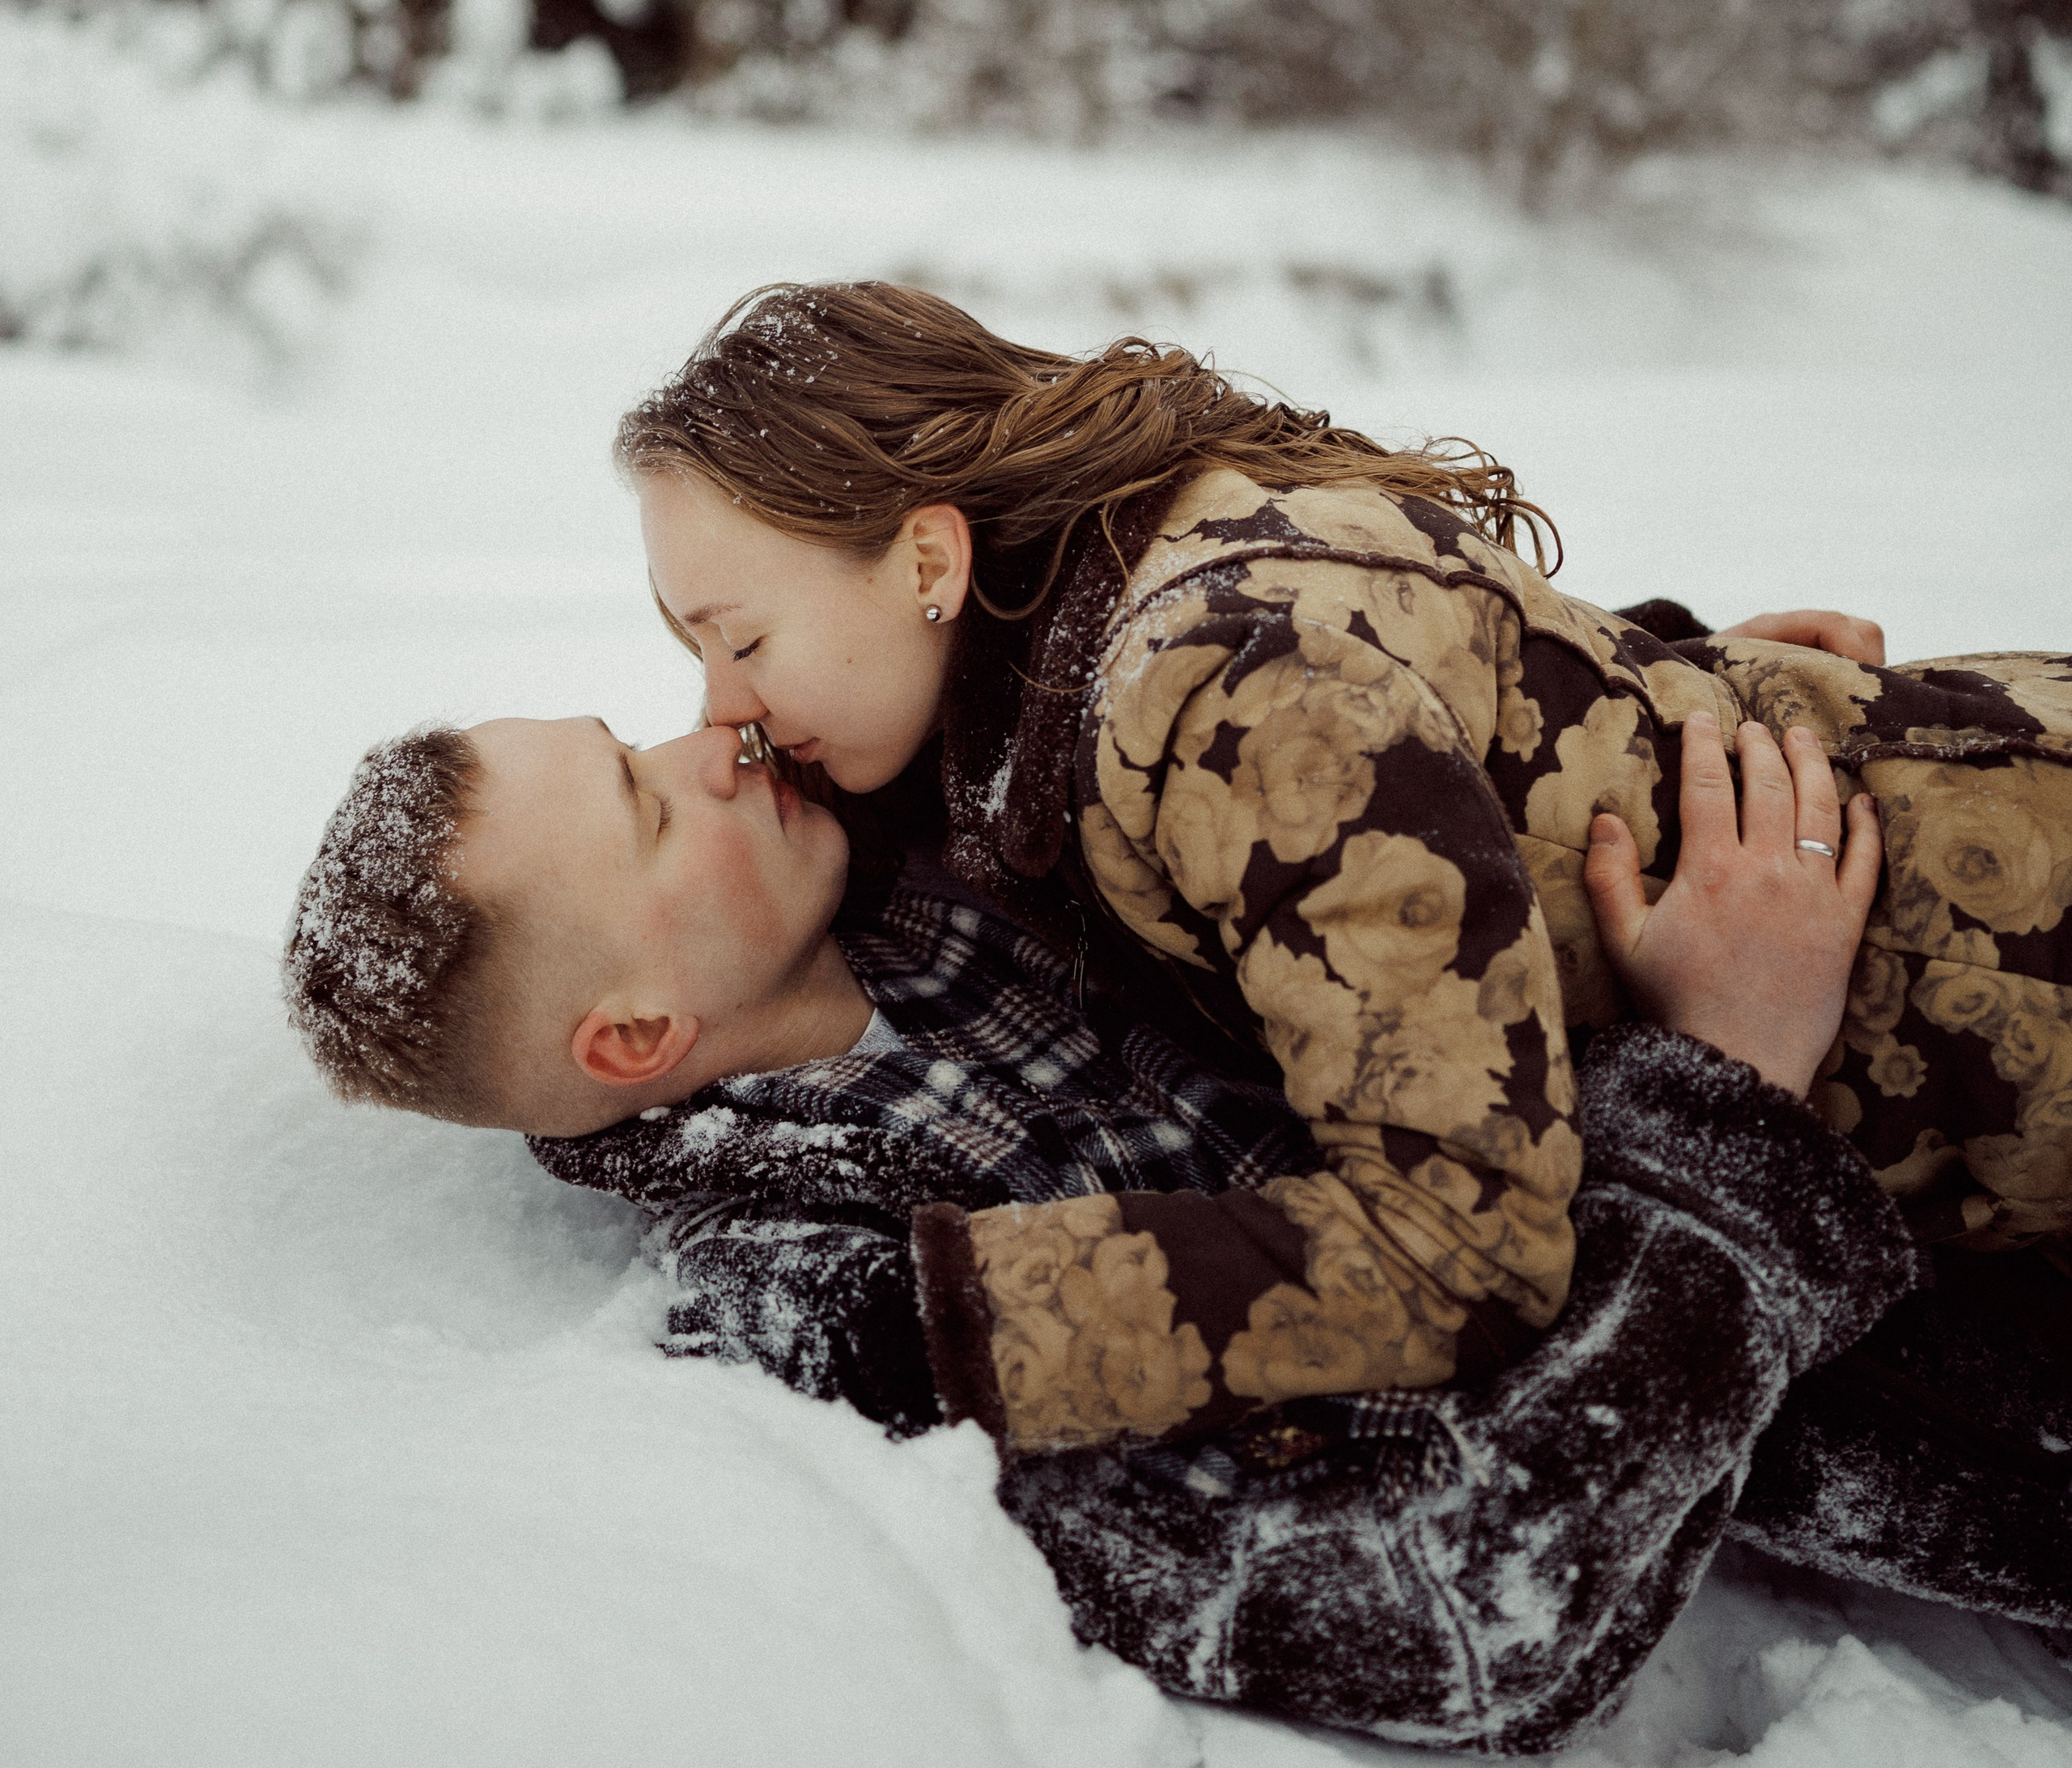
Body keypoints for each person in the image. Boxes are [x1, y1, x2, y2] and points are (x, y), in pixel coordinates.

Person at [280, 702, 2067, 1750]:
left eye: (637, 735)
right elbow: (1453, 1607)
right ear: (631, 1038)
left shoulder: (951, 825)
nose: (713, 742)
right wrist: (1726, 1094)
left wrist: (1651, 722)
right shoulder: (853, 1321)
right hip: (1964, 1379)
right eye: (649, 801)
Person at [615, 279, 2072, 1458]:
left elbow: (1461, 1241)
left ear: (930, 564)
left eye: (740, 639)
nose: (718, 712)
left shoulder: (1217, 691)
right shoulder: (1147, 569)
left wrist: (941, 1325)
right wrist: (1648, 675)